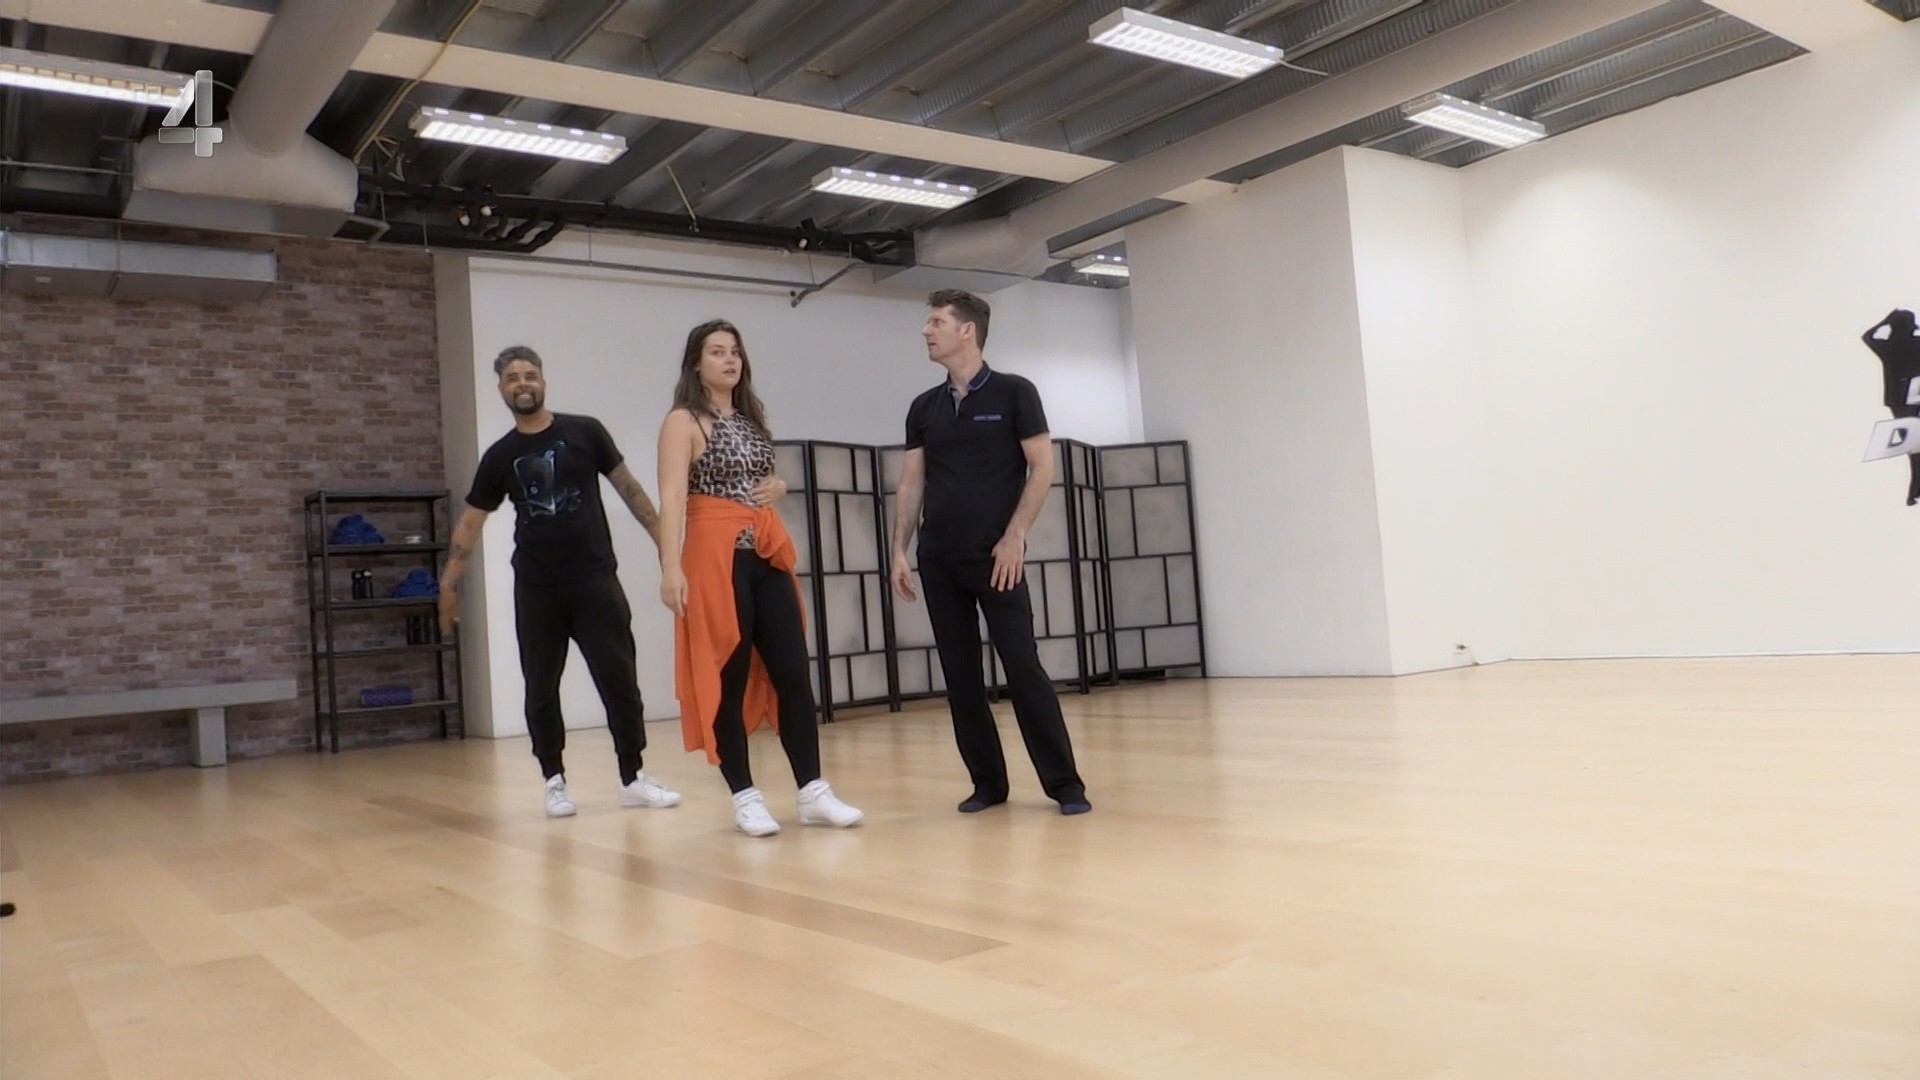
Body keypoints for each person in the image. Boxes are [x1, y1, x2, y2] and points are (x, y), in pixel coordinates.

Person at [439, 345, 682, 818]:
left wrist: (666, 547)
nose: (523, 383)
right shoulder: (500, 456)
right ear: (501, 389)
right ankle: (554, 780)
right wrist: (448, 585)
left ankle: (633, 776)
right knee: (540, 686)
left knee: (619, 680)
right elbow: (470, 522)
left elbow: (629, 489)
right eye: (513, 377)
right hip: (537, 588)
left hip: (594, 579)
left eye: (530, 374)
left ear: (543, 381)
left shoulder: (585, 431)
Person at [656, 320, 863, 837]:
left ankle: (812, 789)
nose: (730, 360)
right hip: (715, 557)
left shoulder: (751, 420)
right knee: (726, 674)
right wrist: (670, 567)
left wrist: (780, 487)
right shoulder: (683, 421)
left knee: (793, 671)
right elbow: (673, 498)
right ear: (696, 363)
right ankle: (744, 795)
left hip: (765, 553)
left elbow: (761, 480)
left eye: (735, 352)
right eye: (717, 352)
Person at [890, 290, 1091, 816]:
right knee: (961, 678)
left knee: (1023, 668)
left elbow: (1042, 468)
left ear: (967, 331)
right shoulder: (923, 408)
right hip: (939, 559)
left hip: (998, 559)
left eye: (936, 321)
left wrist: (1015, 535)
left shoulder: (1015, 393)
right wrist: (899, 551)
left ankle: (1065, 785)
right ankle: (988, 784)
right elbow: (912, 484)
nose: (926, 331)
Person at [1862, 308, 1920, 505]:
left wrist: (1885, 321)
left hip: (1900, 400)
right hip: (1909, 399)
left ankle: (1915, 491)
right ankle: (1915, 490)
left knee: (1914, 446)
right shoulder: (1910, 345)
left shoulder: (1890, 347)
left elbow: (1868, 336)